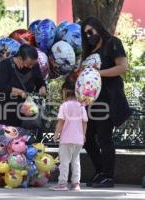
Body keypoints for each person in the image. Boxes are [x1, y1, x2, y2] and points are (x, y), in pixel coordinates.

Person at [80, 16, 131, 188]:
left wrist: (98, 73)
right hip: (91, 102)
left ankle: (108, 176)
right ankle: (101, 171)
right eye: (84, 33)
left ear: (98, 27)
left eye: (90, 31)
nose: (88, 36)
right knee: (86, 138)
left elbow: (123, 67)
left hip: (108, 100)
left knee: (104, 137)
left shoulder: (113, 43)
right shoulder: (90, 50)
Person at [0, 44, 46, 142]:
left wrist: (42, 88)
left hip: (24, 119)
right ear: (19, 58)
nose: (31, 67)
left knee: (20, 150)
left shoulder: (34, 66)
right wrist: (20, 92)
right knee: (1, 149)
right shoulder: (5, 65)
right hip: (3, 116)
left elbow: (40, 81)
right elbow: (1, 87)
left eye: (33, 64)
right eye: (28, 64)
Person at [50, 77, 88, 191]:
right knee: (76, 161)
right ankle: (76, 184)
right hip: (78, 139)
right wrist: (83, 135)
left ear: (65, 91)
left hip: (66, 139)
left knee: (64, 162)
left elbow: (61, 122)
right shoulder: (81, 106)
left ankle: (62, 184)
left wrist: (56, 134)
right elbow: (84, 122)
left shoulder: (64, 106)